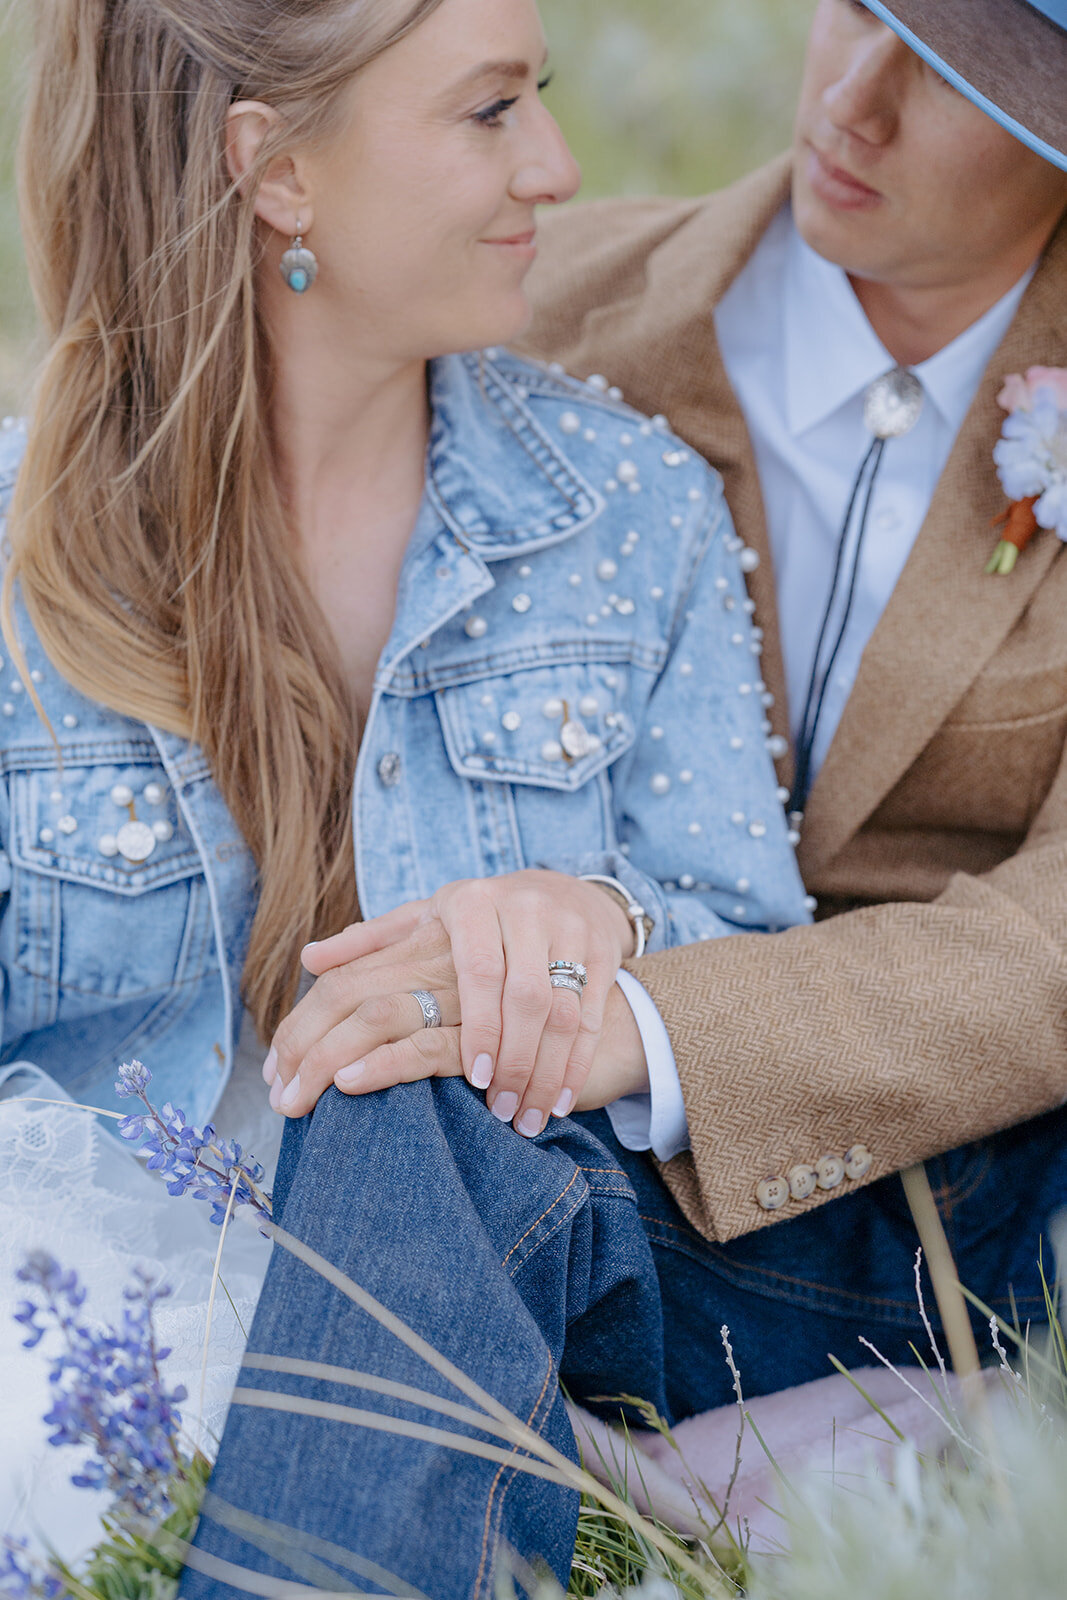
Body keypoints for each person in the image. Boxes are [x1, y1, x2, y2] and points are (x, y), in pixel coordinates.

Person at [223, 0, 1067, 1589]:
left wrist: (665, 1019)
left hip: (1004, 1167)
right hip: (632, 1175)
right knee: (417, 1074)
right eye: (857, 15)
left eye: (957, 77)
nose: (857, 102)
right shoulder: (534, 297)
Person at [0, 0, 810, 1580]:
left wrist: (604, 922)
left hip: (519, 1292)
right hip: (82, 1344)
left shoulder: (630, 512)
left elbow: (766, 963)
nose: (560, 166)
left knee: (413, 1110)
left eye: (542, 99)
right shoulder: (16, 576)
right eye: (491, 110)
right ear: (277, 171)